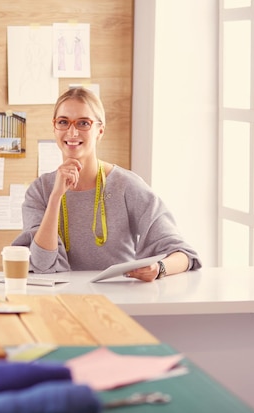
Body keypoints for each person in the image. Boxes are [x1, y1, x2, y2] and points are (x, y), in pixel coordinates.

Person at [12, 87, 201, 282]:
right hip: (62, 300)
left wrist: (159, 268)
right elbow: (42, 265)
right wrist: (56, 197)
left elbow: (184, 254)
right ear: (54, 128)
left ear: (100, 130)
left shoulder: (126, 185)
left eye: (84, 123)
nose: (72, 131)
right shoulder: (40, 191)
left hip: (120, 298)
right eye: (63, 122)